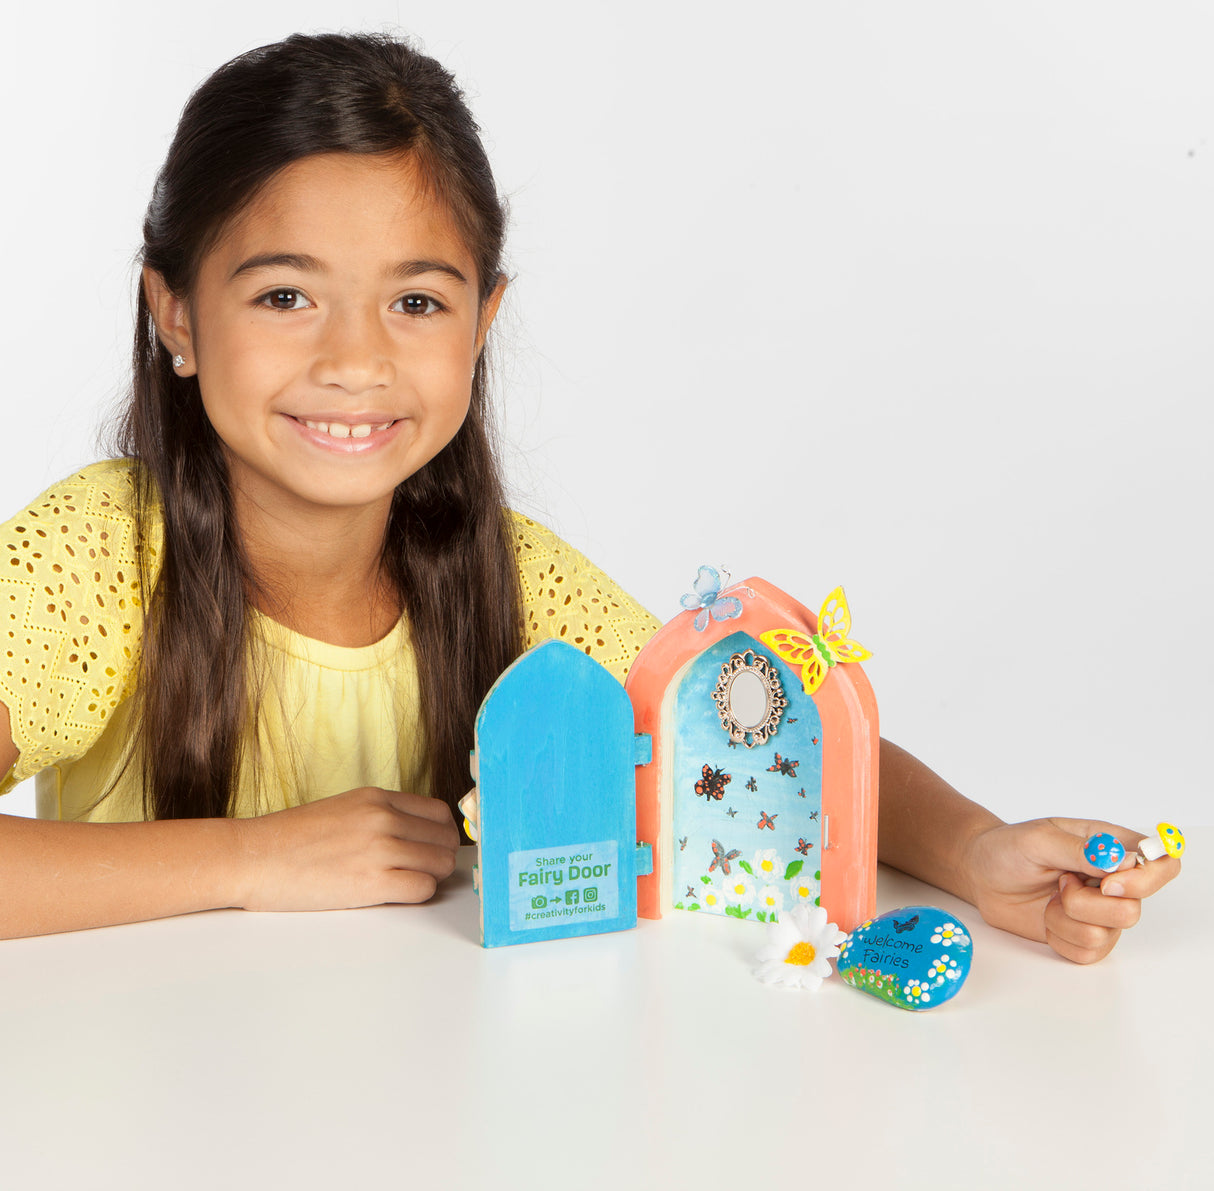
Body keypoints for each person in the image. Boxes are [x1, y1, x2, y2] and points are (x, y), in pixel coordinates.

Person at [0, 32, 1178, 955]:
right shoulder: (99, 554)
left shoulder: (504, 572)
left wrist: (974, 853)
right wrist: (250, 860)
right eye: (284, 297)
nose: (354, 360)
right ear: (175, 318)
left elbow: (755, 728)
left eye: (415, 303)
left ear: (482, 324)